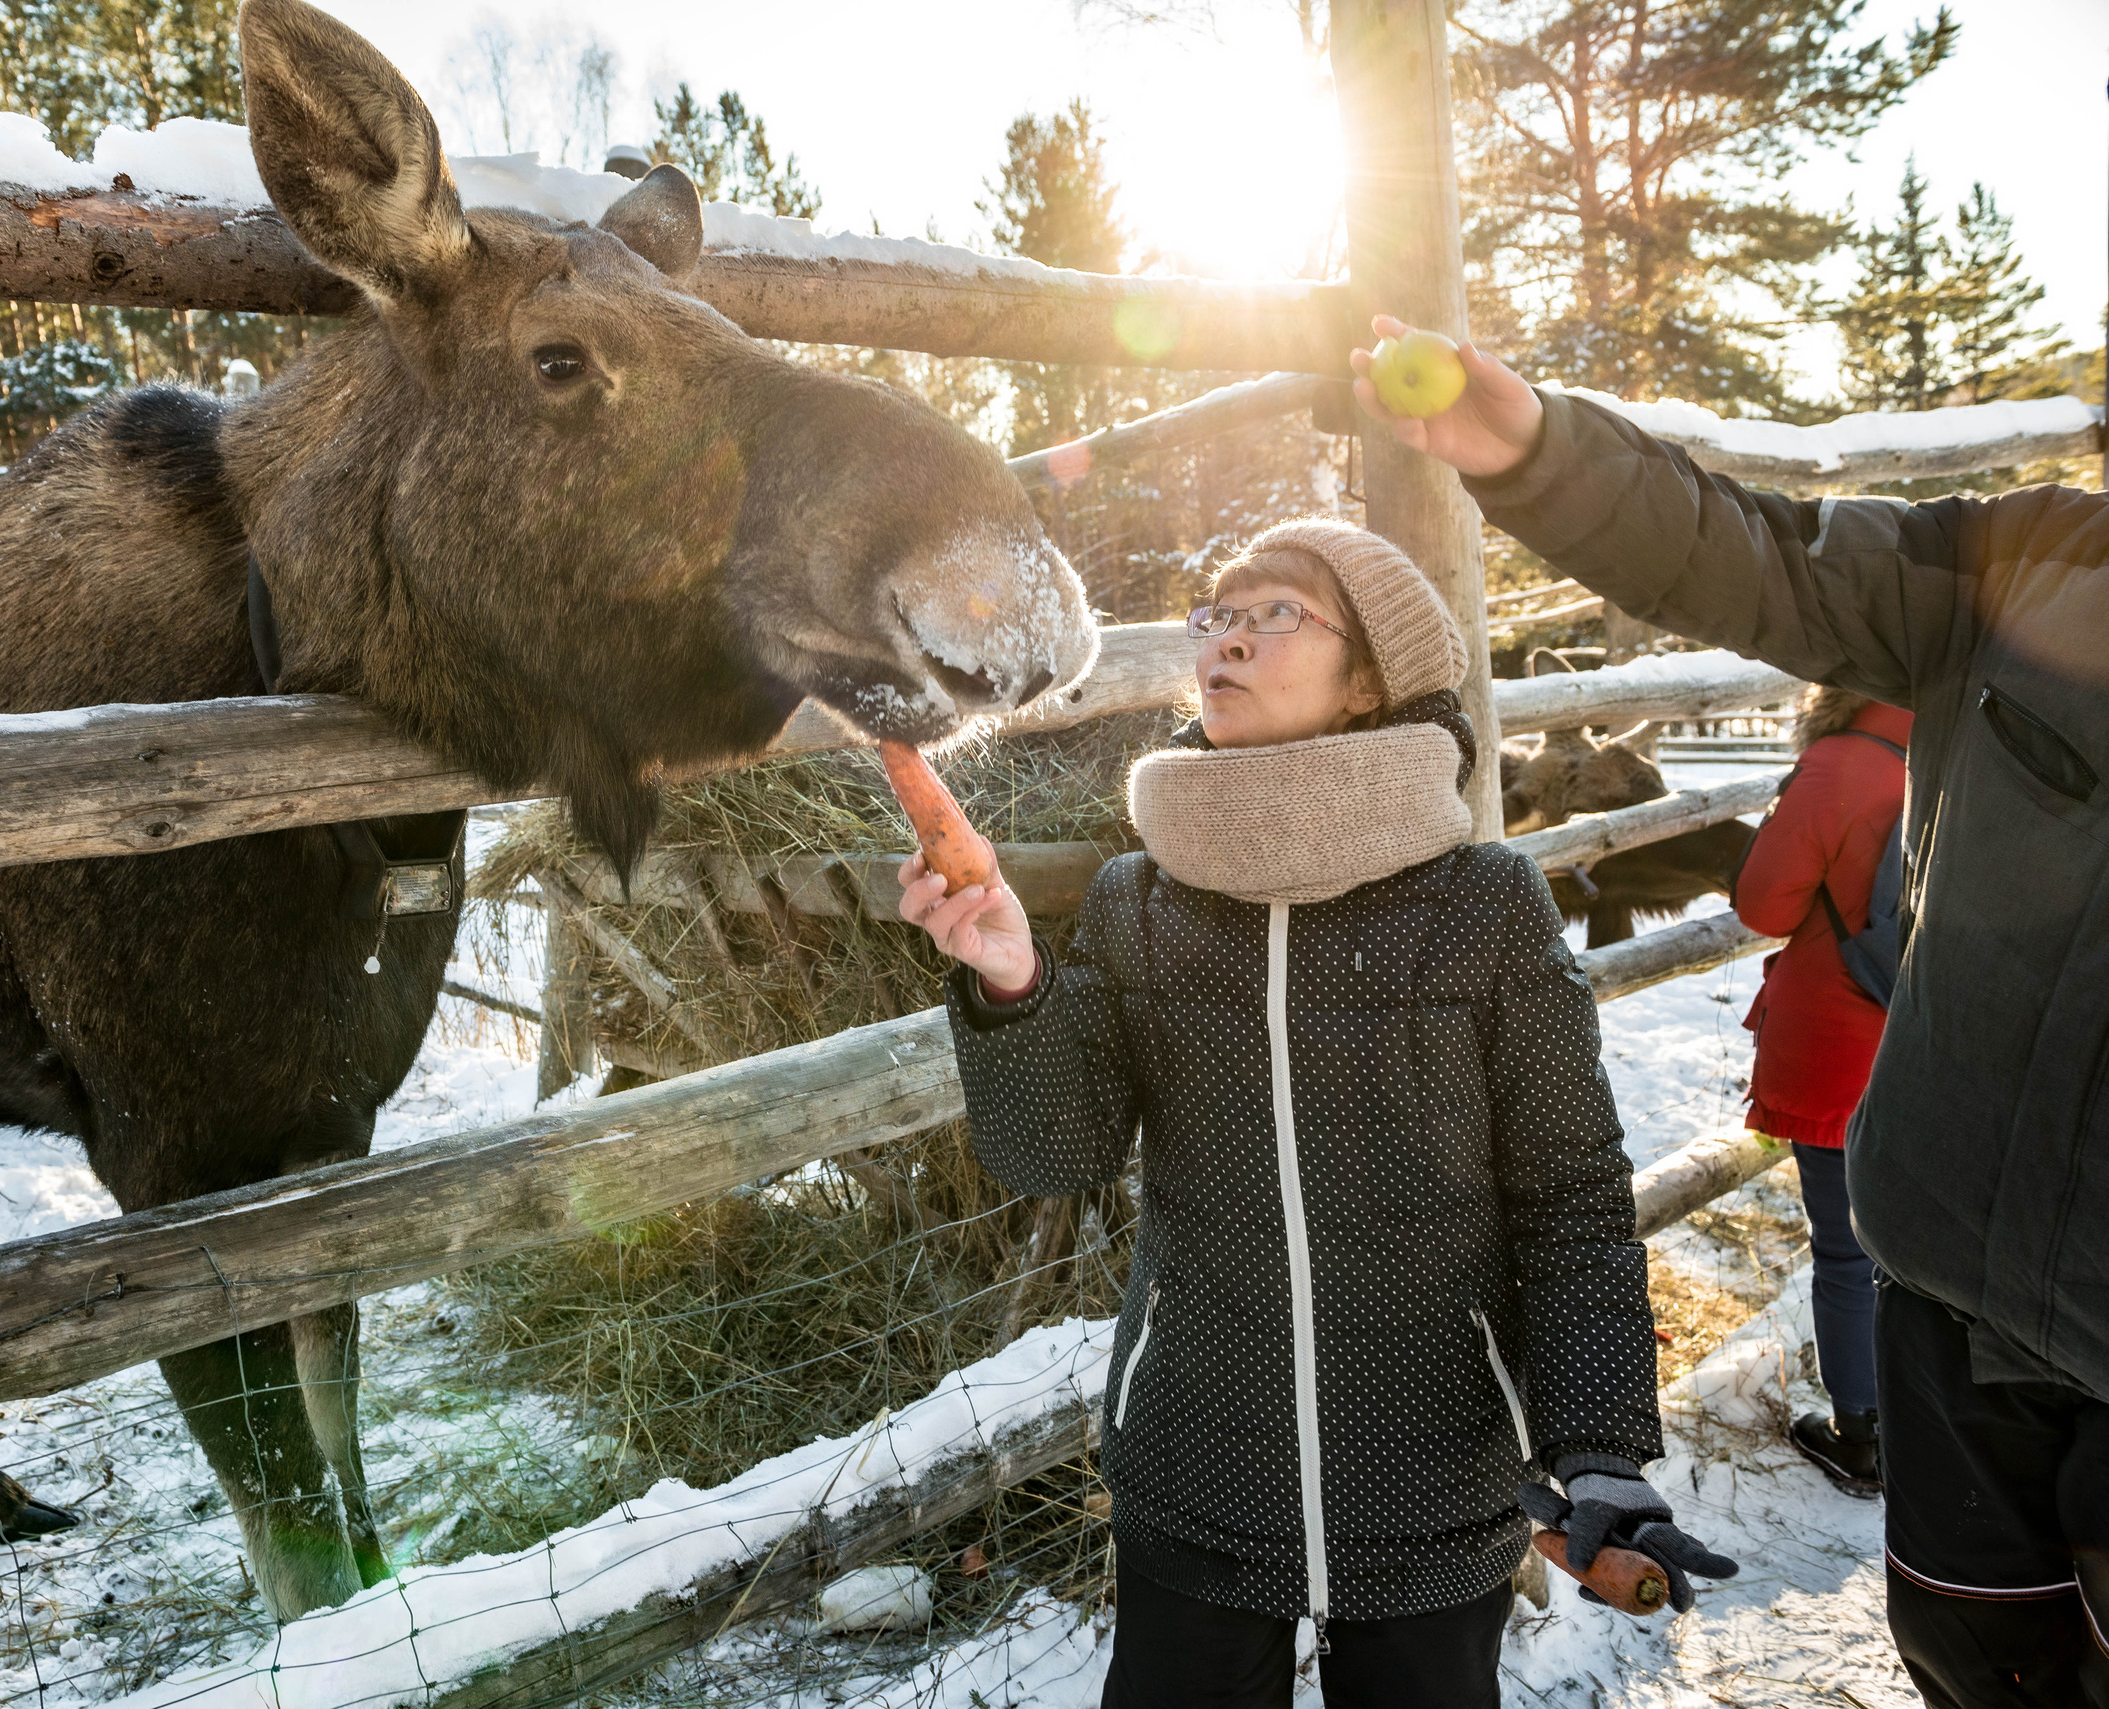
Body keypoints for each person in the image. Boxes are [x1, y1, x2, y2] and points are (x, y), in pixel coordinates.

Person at [1351, 317, 2109, 1707]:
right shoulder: (2026, 561)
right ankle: (1870, 1420)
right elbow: (1764, 548)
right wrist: (1540, 453)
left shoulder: (1833, 767)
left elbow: (1763, 895)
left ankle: (1853, 1413)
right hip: (1953, 1297)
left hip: (1949, 1190)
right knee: (1975, 1667)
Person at [897, 519, 1735, 1707]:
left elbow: (1571, 1195)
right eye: (1215, 615)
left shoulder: (1484, 901)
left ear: (1369, 684)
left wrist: (1597, 1443)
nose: (1227, 638)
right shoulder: (1138, 898)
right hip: (1194, 1464)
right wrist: (1011, 981)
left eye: (1276, 612)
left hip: (1434, 1474)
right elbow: (1053, 1151)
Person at [1733, 686, 1916, 1495]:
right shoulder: (1965, 745)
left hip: (1845, 1042)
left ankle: (1864, 1436)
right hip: (1942, 1034)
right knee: (1930, 1247)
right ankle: (1933, 1422)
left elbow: (1763, 903)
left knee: (1849, 1249)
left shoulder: (1842, 763)